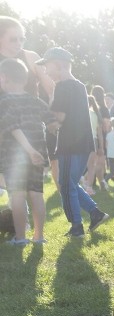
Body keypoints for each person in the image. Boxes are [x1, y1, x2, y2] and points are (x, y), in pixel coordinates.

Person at [37, 47, 108, 238]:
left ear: (59, 65)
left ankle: (76, 227)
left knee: (65, 185)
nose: (46, 71)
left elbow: (58, 119)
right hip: (85, 143)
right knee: (70, 183)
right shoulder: (79, 85)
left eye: (47, 66)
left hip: (69, 144)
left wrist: (43, 114)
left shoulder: (62, 87)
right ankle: (95, 213)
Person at [0, 57, 55, 244]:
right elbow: (52, 121)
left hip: (15, 156)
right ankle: (39, 237)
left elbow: (14, 127)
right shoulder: (35, 101)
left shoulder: (4, 102)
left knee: (17, 194)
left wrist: (29, 150)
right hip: (38, 154)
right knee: (36, 193)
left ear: (4, 78)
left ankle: (21, 237)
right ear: (24, 80)